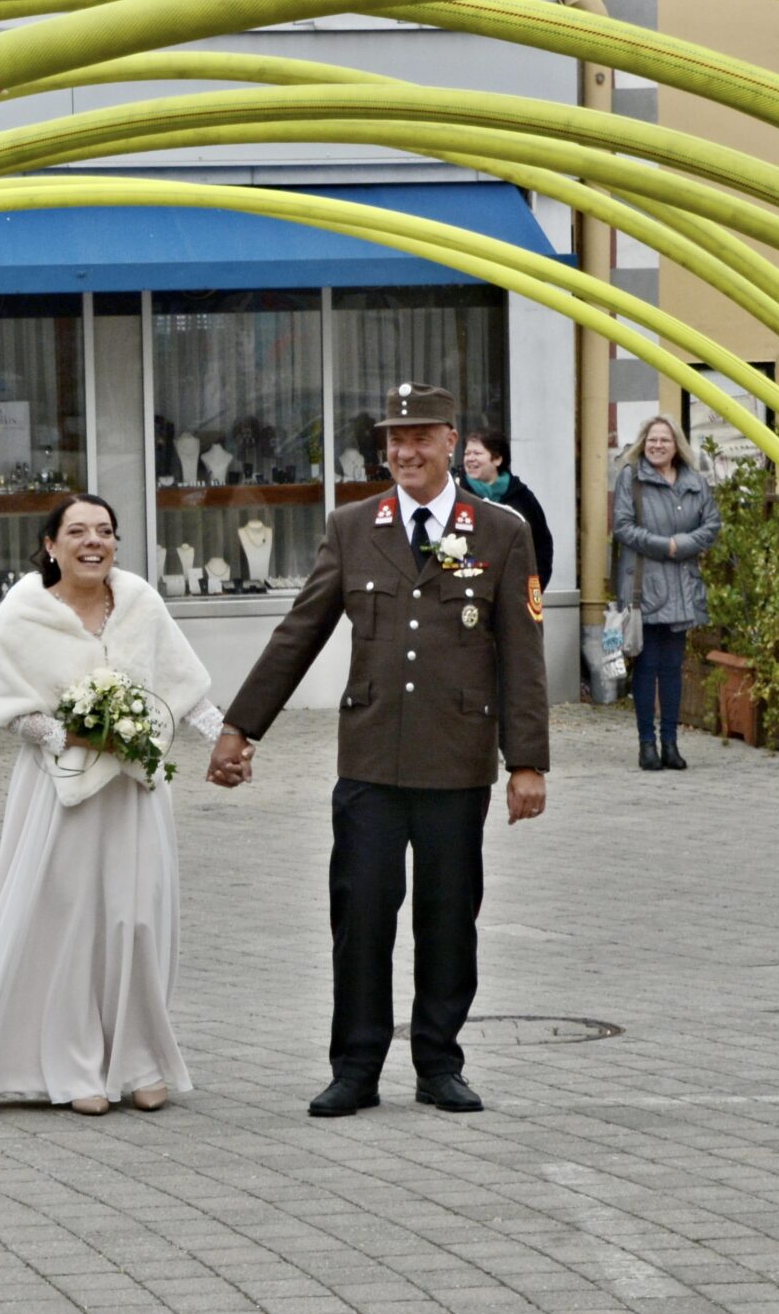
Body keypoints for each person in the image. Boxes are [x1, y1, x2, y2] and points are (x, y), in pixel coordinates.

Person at [207, 382, 549, 1117]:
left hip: (455, 760)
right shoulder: (356, 524)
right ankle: (356, 1067)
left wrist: (526, 763)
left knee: (448, 916)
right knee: (361, 914)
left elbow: (521, 654)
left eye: (420, 436)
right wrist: (241, 727)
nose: (404, 451)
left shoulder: (499, 531)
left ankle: (439, 1063)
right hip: (368, 760)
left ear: (451, 441)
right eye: (393, 439)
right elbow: (299, 632)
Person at [0, 493, 219, 1114]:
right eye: (79, 532)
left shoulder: (140, 601)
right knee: (69, 923)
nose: (94, 542)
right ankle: (74, 1065)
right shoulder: (24, 610)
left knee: (139, 920)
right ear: (51, 545)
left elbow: (182, 686)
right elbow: (11, 711)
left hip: (135, 792)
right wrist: (78, 736)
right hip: (60, 796)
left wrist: (229, 741)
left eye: (106, 532)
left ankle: (139, 1060)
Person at [610, 415, 720, 771]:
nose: (658, 445)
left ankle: (671, 743)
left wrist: (681, 544)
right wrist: (665, 546)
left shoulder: (694, 482)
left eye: (665, 440)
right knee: (646, 666)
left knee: (673, 668)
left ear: (677, 446)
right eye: (652, 439)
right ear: (644, 442)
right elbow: (623, 527)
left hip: (683, 585)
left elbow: (712, 525)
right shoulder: (632, 477)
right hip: (645, 586)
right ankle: (646, 745)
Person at [463, 428, 555, 587]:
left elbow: (541, 545)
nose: (470, 459)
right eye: (467, 453)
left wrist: (534, 588)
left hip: (513, 590)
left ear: (497, 459)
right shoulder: (457, 493)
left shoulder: (522, 497)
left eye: (477, 454)